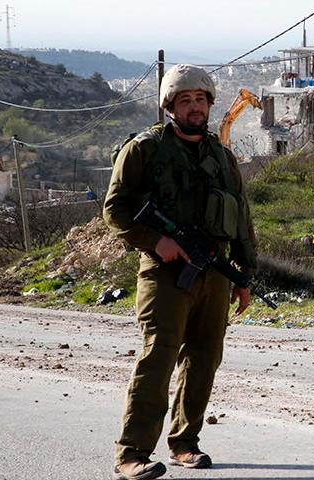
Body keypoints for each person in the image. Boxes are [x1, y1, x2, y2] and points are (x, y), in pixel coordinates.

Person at [103, 64, 258, 480]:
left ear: (210, 103)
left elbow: (241, 219)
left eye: (200, 99)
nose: (194, 107)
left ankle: (185, 443)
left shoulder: (223, 157)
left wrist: (244, 276)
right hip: (165, 272)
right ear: (170, 106)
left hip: (214, 271)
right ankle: (132, 453)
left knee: (205, 358)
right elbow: (114, 211)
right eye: (185, 100)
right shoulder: (145, 149)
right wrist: (157, 242)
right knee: (159, 358)